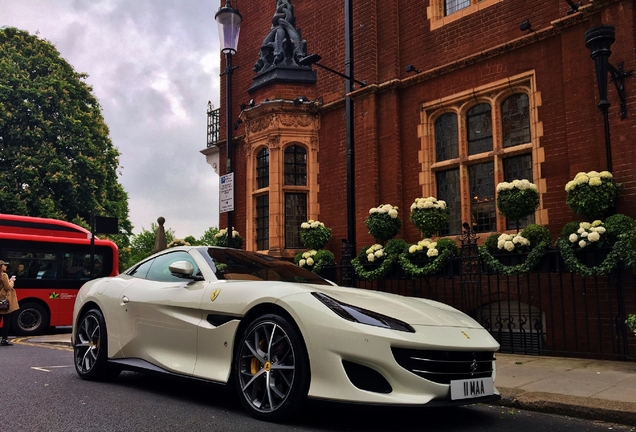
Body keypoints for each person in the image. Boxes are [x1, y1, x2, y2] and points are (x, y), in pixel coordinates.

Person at [0, 259, 19, 346]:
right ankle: (4, 339)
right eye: (4, 265)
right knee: (6, 320)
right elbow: (7, 287)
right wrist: (12, 281)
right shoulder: (3, 275)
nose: (6, 266)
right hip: (4, 301)